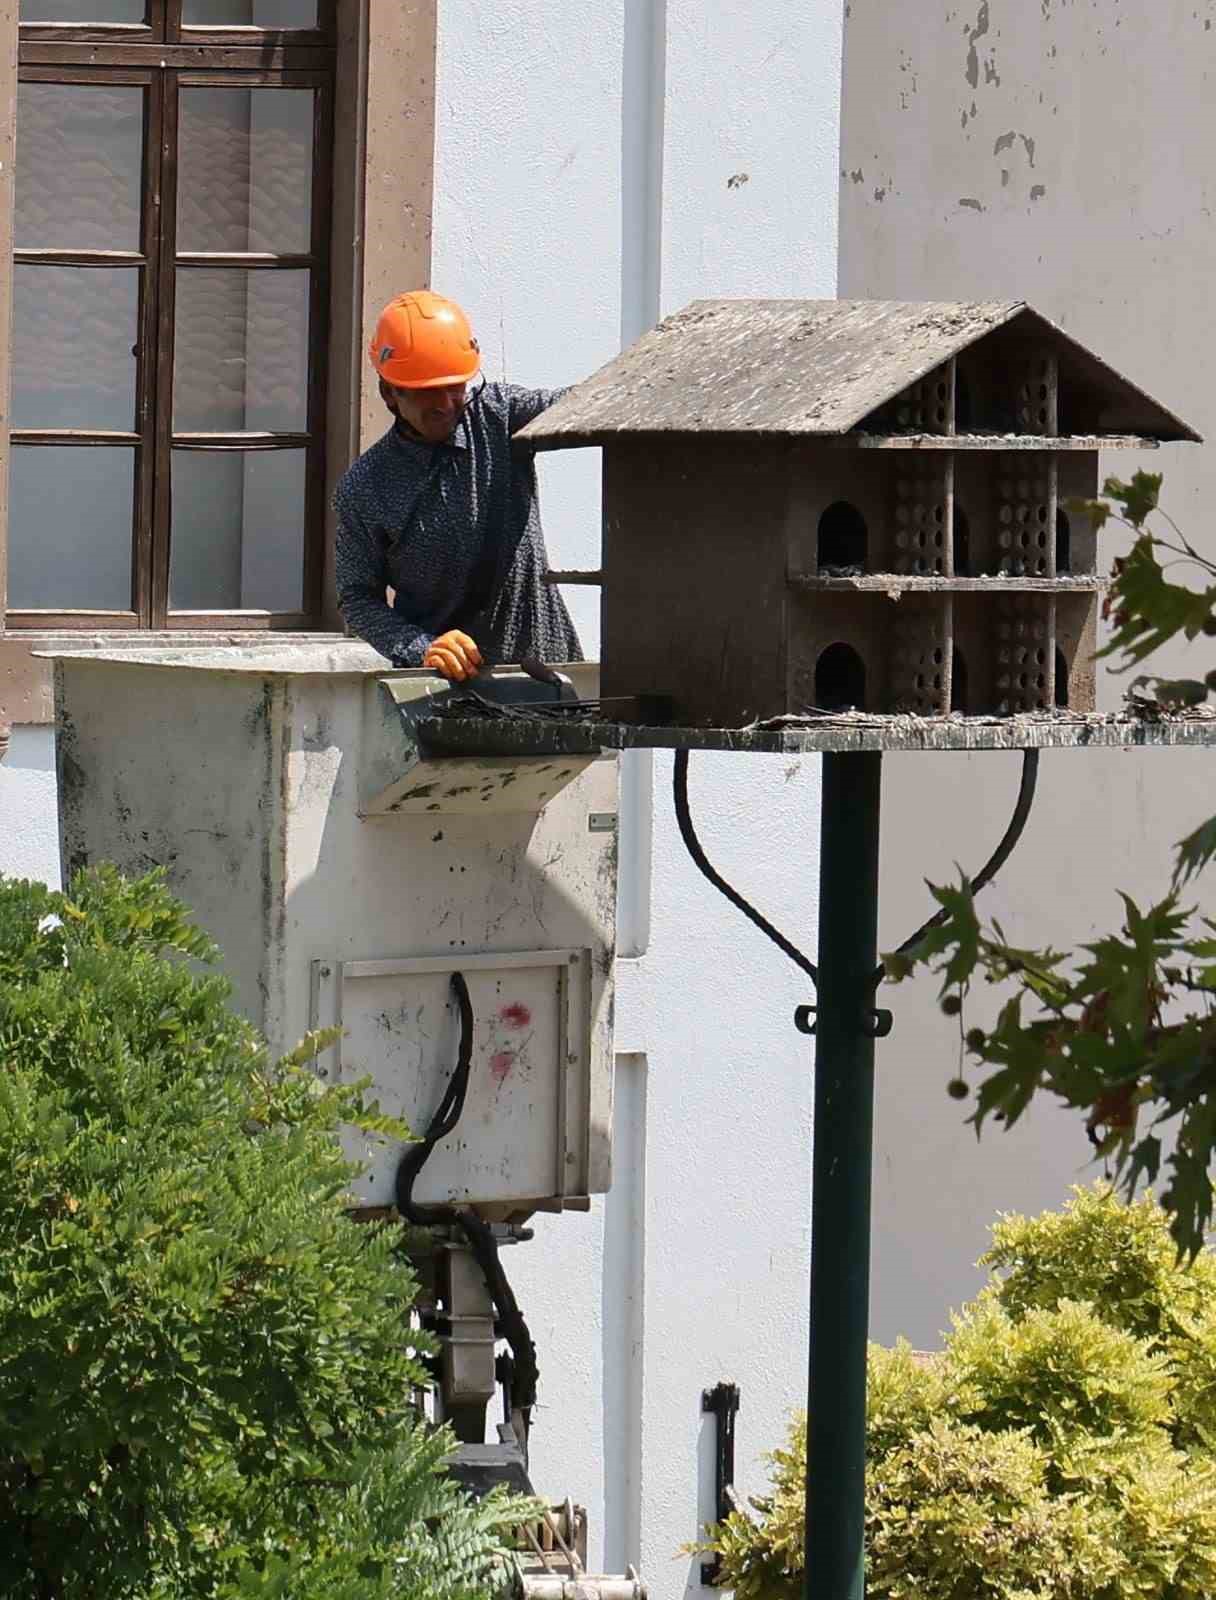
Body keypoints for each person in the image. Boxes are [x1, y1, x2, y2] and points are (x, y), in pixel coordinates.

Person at [334, 291, 582, 682]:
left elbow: (577, 406)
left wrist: (645, 378)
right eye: (426, 391)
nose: (446, 403)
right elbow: (357, 598)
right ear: (389, 393)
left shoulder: (499, 415)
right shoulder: (365, 487)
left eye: (455, 387)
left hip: (549, 672)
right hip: (441, 689)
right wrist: (422, 647)